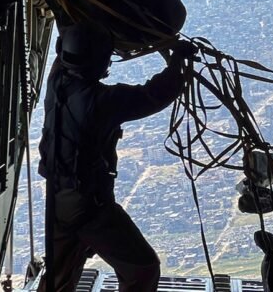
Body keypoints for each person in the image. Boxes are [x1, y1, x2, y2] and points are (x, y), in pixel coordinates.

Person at [37, 23, 195, 292]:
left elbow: (67, 45)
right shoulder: (102, 102)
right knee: (142, 269)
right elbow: (153, 95)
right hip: (89, 206)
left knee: (58, 280)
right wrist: (177, 60)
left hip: (58, 200)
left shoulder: (57, 82)